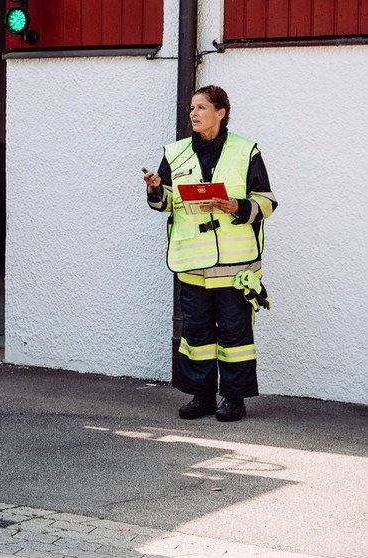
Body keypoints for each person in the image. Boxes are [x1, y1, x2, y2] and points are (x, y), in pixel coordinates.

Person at [143, 85, 278, 422]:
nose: (194, 114)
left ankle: (234, 399)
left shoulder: (246, 151)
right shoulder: (174, 154)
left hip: (235, 266)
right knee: (197, 334)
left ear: (221, 112)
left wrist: (236, 206)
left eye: (201, 108)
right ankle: (201, 396)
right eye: (191, 108)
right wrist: (156, 189)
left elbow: (267, 202)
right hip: (192, 264)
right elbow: (164, 205)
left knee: (235, 334)